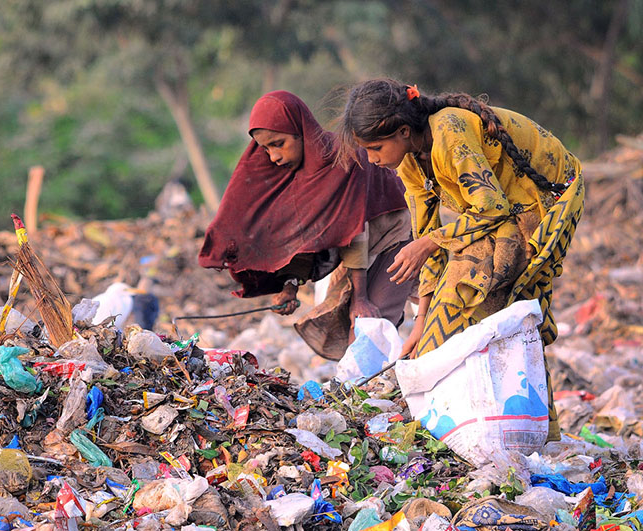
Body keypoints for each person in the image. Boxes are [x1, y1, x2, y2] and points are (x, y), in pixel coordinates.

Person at [338, 79, 584, 440]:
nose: (372, 160)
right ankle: (516, 429)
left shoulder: (450, 131)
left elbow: (490, 207)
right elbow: (427, 239)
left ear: (404, 131)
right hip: (503, 210)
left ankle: (435, 422)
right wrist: (421, 321)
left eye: (375, 148)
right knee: (486, 310)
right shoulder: (409, 163)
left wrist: (430, 245)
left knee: (480, 296)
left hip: (544, 201)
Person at [199, 90, 414, 359]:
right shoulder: (295, 178)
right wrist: (290, 285)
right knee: (349, 323)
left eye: (279, 143)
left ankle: (368, 393)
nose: (273, 156)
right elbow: (306, 238)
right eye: (265, 149)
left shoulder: (343, 159)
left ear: (301, 131)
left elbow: (354, 230)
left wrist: (360, 297)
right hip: (356, 253)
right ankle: (359, 392)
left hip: (392, 238)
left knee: (371, 319)